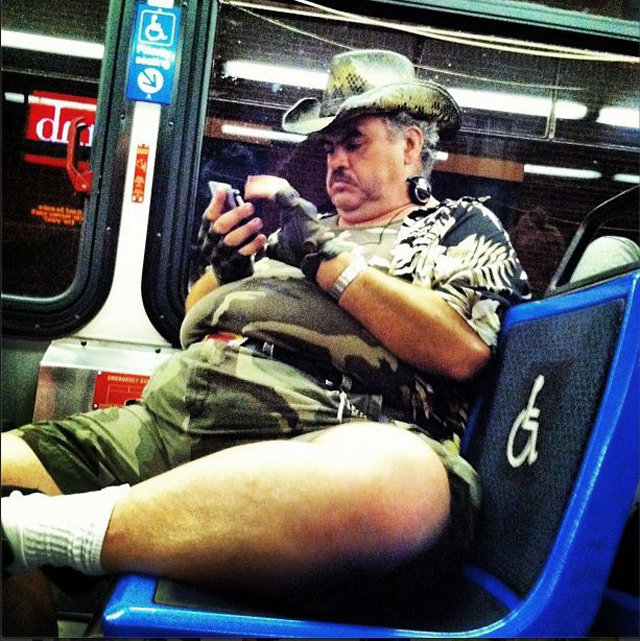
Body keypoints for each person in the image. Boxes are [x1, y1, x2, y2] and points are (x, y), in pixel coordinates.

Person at [2, 49, 529, 633]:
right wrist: (222, 267)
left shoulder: (457, 226)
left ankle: (44, 530)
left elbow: (462, 349)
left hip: (324, 439)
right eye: (329, 147)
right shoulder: (304, 228)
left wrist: (330, 263)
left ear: (409, 147)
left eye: (354, 142)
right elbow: (193, 325)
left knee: (407, 484)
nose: (336, 160)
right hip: (168, 423)